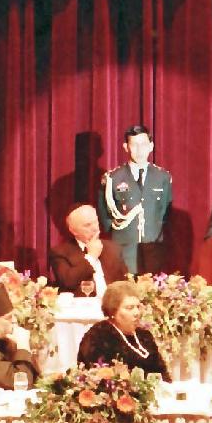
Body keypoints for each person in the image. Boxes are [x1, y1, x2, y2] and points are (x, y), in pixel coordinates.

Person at [97, 124, 173, 275]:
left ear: (151, 146)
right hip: (124, 248)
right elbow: (104, 214)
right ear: (126, 147)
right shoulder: (112, 178)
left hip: (153, 247)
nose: (139, 150)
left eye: (143, 145)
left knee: (152, 288)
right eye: (134, 145)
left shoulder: (162, 177)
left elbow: (165, 213)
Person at [77, 280, 170, 380]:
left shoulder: (144, 335)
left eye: (138, 307)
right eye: (129, 308)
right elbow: (97, 378)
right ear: (113, 311)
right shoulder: (98, 337)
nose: (137, 312)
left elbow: (163, 373)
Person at [49, 204, 129, 295]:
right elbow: (68, 282)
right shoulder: (60, 252)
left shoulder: (114, 248)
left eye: (95, 222)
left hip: (113, 302)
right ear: (73, 230)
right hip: (82, 303)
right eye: (87, 225)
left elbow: (126, 283)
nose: (95, 228)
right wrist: (91, 256)